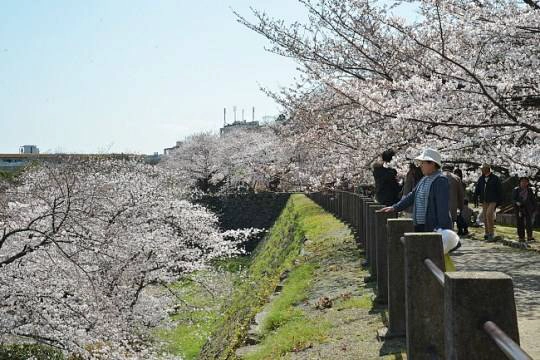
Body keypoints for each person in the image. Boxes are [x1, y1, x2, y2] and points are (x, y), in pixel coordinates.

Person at [381, 148, 455, 268]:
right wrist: (395, 208)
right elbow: (412, 196)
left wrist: (440, 228)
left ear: (432, 164)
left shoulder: (440, 180)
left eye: (423, 163)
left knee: (434, 260)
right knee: (424, 258)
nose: (420, 166)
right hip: (420, 224)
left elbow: (442, 207)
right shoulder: (424, 179)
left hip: (433, 226)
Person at [474, 164, 502, 242]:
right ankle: (487, 233)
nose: (481, 170)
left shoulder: (495, 178)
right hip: (484, 200)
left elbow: (499, 190)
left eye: (482, 169)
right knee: (486, 217)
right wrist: (476, 197)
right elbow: (477, 189)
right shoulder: (481, 178)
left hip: (493, 200)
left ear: (487, 169)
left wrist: (499, 201)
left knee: (489, 214)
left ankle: (491, 233)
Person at [512, 177, 537, 242]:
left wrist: (535, 208)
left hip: (528, 208)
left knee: (529, 223)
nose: (524, 183)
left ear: (528, 183)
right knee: (520, 223)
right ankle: (521, 237)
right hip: (519, 208)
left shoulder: (529, 190)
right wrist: (516, 202)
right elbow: (513, 199)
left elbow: (533, 199)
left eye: (525, 181)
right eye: (522, 181)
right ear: (520, 182)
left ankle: (529, 237)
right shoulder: (516, 189)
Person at [442, 165, 465, 229]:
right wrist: (461, 207)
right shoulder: (456, 178)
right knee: (450, 225)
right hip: (452, 206)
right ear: (452, 170)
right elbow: (461, 194)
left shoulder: (437, 177)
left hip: (439, 206)